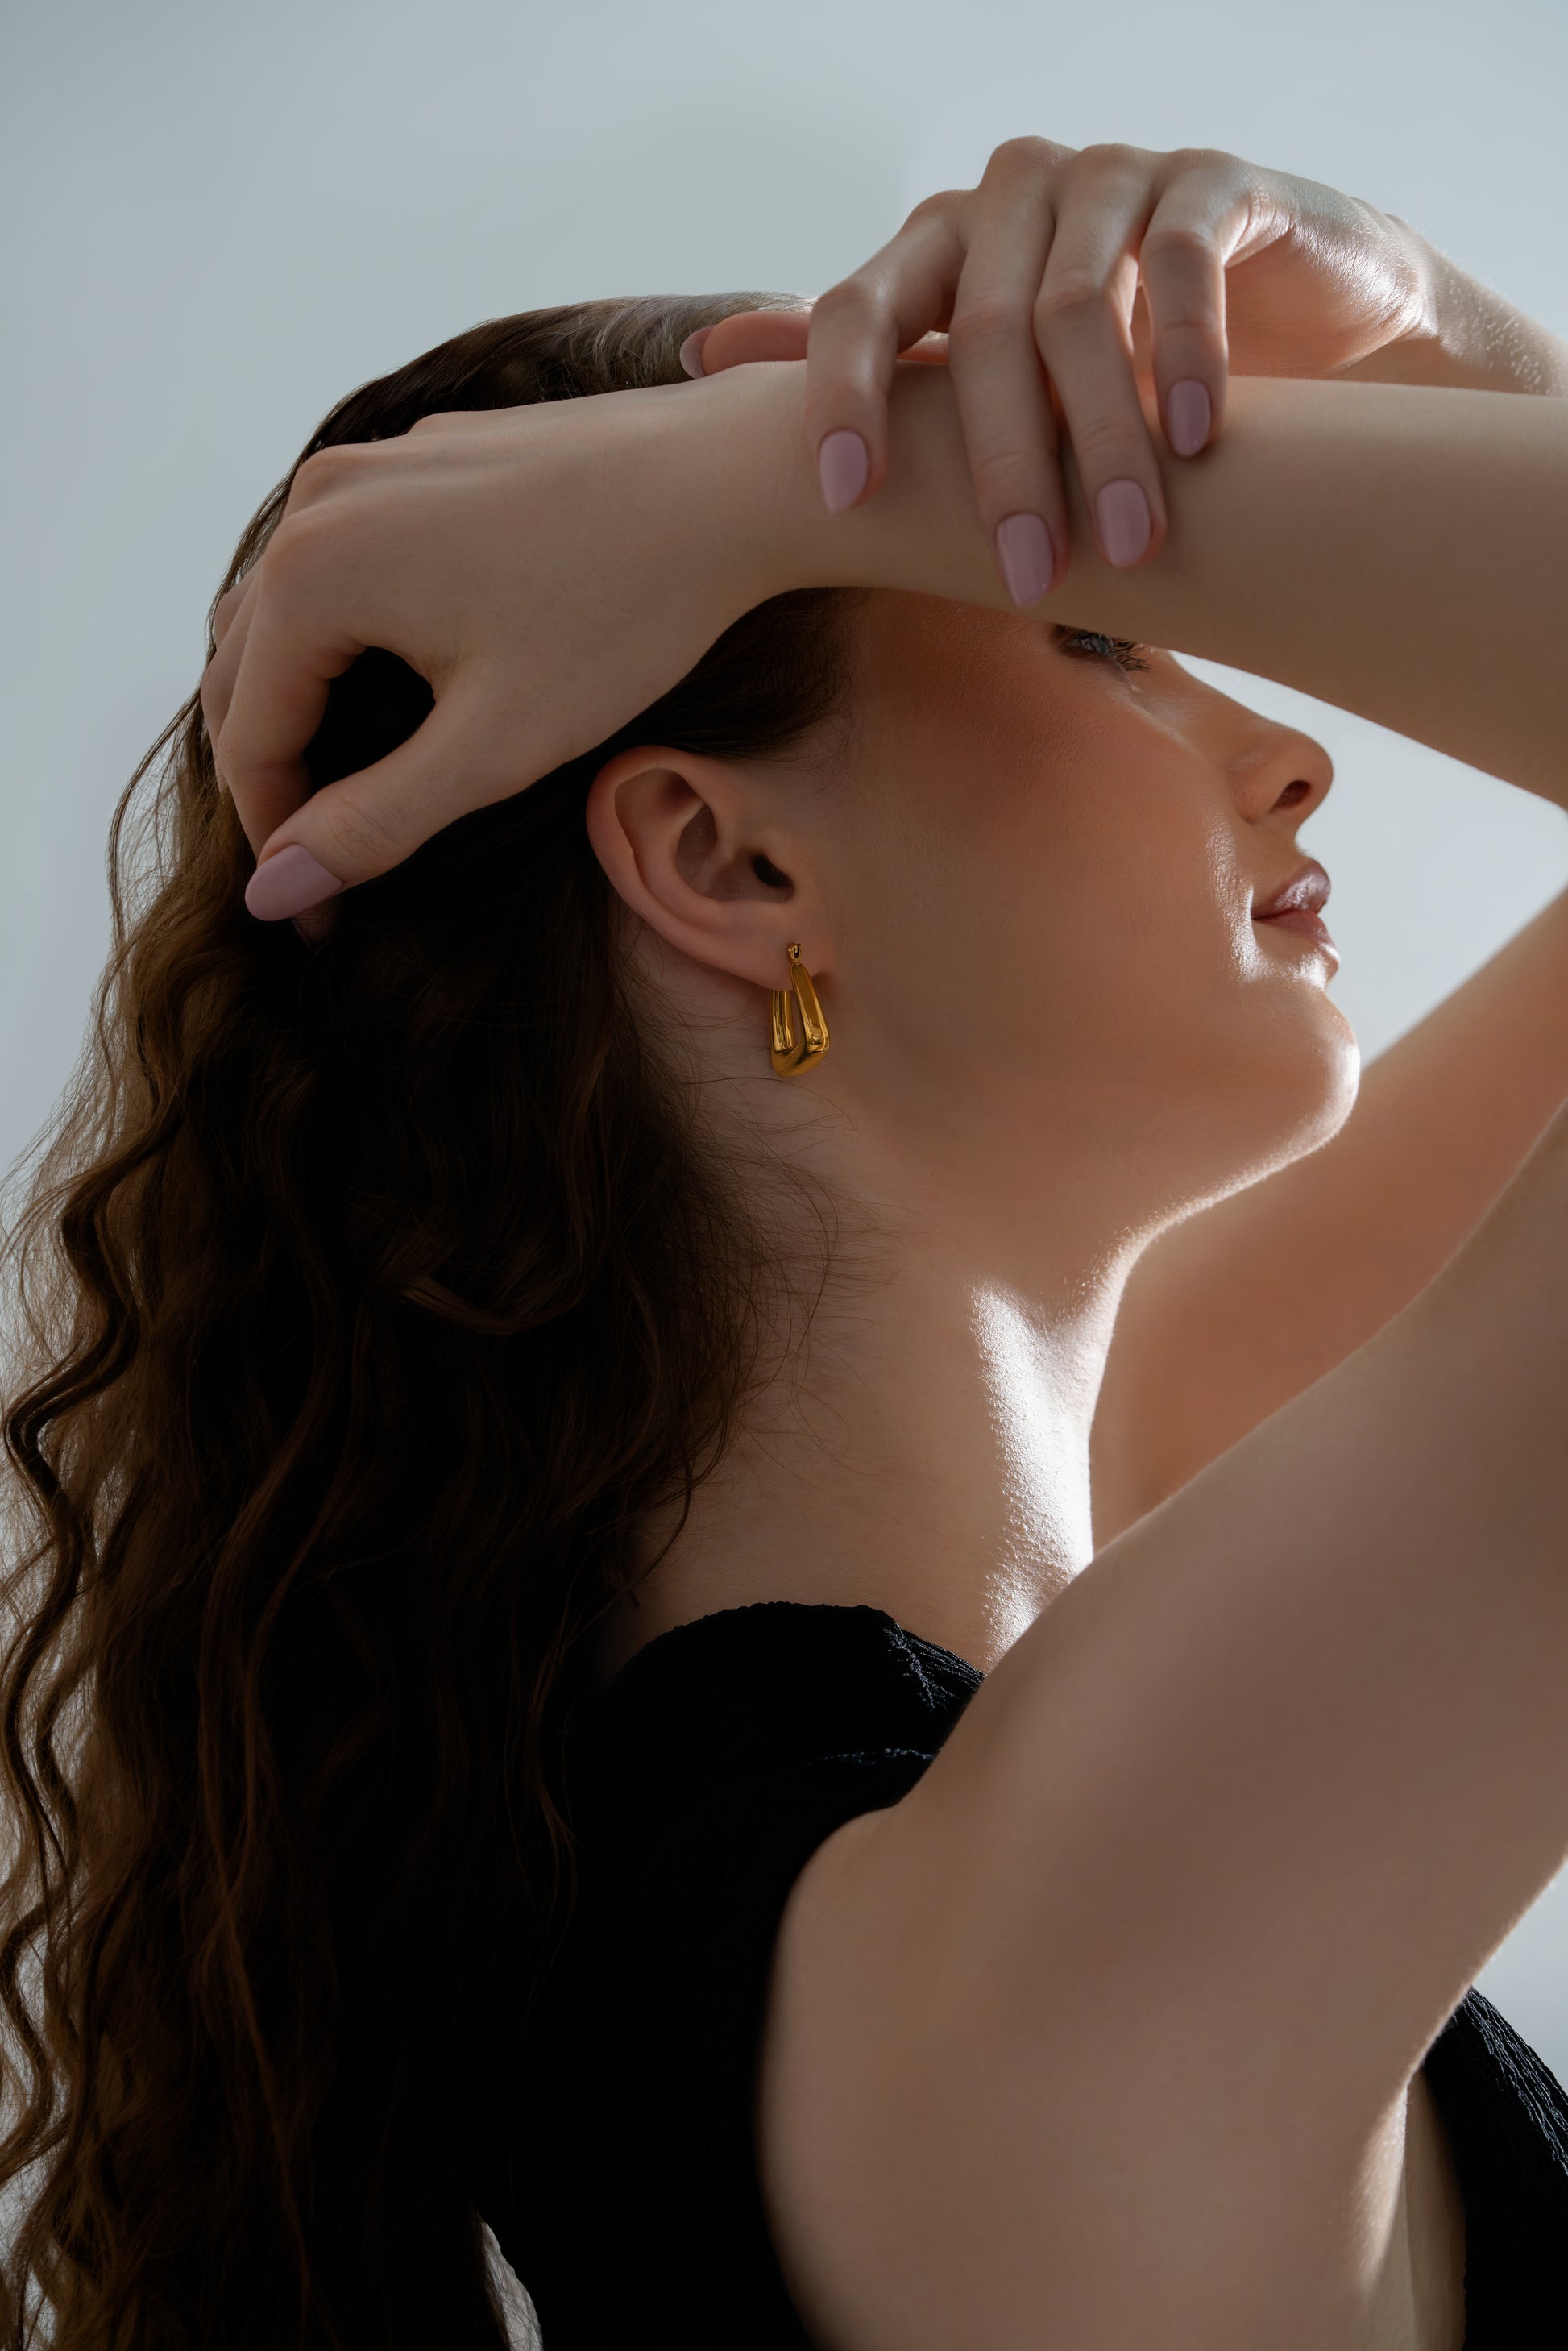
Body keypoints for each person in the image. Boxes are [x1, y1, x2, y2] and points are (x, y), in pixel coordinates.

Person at [2, 136, 1566, 2350]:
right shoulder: (1003, 1941)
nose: (1295, 745)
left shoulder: (982, 1717)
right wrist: (796, 478)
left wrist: (1410, 324)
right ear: (725, 866)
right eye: (1115, 633)